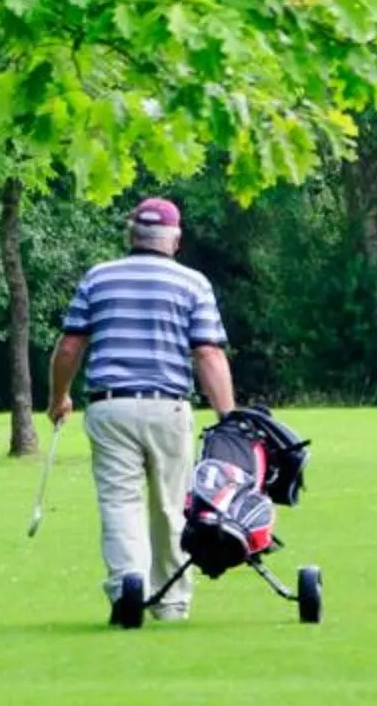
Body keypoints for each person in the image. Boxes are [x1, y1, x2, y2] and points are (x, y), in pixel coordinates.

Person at [48, 195, 236, 625]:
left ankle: (127, 591)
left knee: (120, 503)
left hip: (110, 408)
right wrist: (228, 419)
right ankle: (171, 604)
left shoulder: (99, 278)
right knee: (171, 507)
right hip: (167, 407)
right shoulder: (193, 283)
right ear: (175, 239)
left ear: (131, 234)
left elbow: (71, 345)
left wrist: (59, 397)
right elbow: (207, 353)